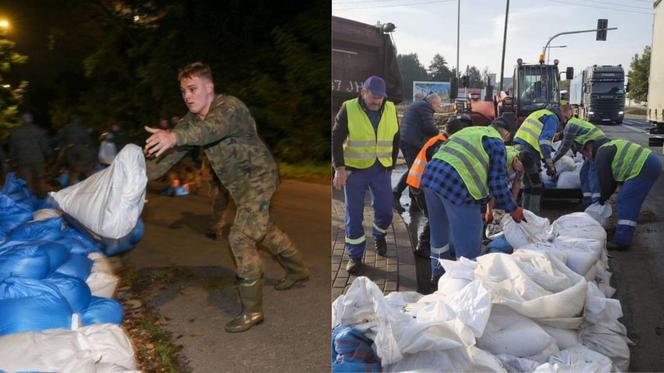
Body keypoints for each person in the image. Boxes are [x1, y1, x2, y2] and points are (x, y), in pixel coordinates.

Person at [143, 62, 309, 333]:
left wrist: (174, 135)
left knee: (241, 235)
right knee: (263, 230)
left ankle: (252, 311)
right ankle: (298, 270)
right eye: (183, 90)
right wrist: (137, 176)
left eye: (193, 88)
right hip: (238, 185)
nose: (187, 95)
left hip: (260, 177)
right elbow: (170, 154)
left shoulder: (229, 108)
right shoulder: (191, 121)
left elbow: (210, 130)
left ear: (210, 88)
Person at [420, 118, 524, 282]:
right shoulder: (497, 143)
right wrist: (513, 208)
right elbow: (497, 184)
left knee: (439, 233)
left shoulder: (470, 132)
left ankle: (437, 275)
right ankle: (465, 284)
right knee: (468, 243)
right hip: (457, 185)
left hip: (431, 177)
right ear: (506, 134)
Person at [332, 75, 399, 275]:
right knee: (354, 214)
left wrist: (392, 163)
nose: (377, 101)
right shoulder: (349, 107)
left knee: (386, 210)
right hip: (355, 169)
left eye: (380, 97)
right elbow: (336, 138)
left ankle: (379, 234)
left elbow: (396, 137)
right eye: (373, 96)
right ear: (363, 92)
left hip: (381, 169)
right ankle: (355, 255)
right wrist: (339, 168)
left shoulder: (391, 108)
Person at [405, 117, 467, 287]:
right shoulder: (440, 144)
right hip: (420, 185)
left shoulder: (438, 140)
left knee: (435, 218)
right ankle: (423, 247)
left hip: (417, 183)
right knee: (435, 219)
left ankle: (423, 246)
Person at [582, 138, 661, 251]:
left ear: (589, 150)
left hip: (644, 166)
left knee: (625, 200)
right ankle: (623, 231)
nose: (589, 159)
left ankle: (622, 241)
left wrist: (602, 199)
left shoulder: (601, 153)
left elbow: (606, 182)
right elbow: (613, 181)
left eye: (587, 156)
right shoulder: (608, 147)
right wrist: (607, 195)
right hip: (649, 163)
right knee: (628, 199)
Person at [513, 106, 569, 214]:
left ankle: (525, 213)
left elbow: (538, 142)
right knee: (536, 184)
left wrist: (544, 160)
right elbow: (543, 142)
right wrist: (550, 165)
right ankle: (533, 216)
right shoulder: (553, 118)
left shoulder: (541, 113)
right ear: (561, 115)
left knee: (529, 183)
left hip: (519, 148)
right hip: (528, 153)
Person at [392, 93, 442, 213]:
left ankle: (414, 201)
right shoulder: (425, 107)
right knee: (415, 170)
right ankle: (395, 194)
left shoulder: (418, 105)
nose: (438, 108)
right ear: (433, 103)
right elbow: (429, 127)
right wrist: (440, 133)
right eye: (438, 105)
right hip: (412, 142)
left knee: (414, 170)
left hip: (407, 140)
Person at [552, 106, 608, 207]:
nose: (559, 120)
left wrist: (553, 160)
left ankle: (596, 203)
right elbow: (570, 137)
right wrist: (559, 135)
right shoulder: (572, 123)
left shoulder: (571, 125)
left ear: (565, 115)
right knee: (584, 172)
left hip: (597, 147)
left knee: (592, 173)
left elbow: (564, 146)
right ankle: (587, 200)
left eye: (560, 117)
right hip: (592, 148)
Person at [8, 112, 51, 197]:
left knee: (28, 182)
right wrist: (48, 155)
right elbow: (44, 145)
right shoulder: (38, 130)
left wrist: (13, 160)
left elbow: (13, 148)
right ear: (31, 120)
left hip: (23, 161)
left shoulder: (16, 132)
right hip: (37, 159)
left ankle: (30, 203)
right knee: (40, 179)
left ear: (22, 120)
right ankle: (43, 201)